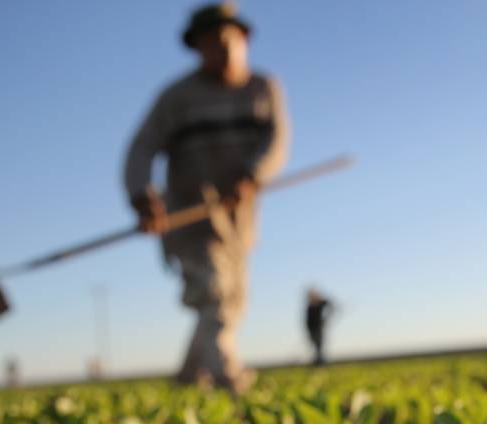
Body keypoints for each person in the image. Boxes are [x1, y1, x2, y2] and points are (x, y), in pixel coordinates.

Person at [124, 3, 290, 392]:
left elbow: (276, 141)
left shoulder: (263, 88)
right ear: (197, 48)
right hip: (189, 216)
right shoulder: (176, 98)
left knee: (231, 302)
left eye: (228, 41)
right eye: (211, 43)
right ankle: (229, 379)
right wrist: (141, 195)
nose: (221, 50)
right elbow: (142, 148)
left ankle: (187, 378)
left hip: (239, 219)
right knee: (213, 295)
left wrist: (252, 173)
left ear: (244, 40)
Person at [305, 288, 334, 365]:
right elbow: (308, 320)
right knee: (315, 345)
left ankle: (320, 360)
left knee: (319, 344)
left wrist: (326, 318)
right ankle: (318, 359)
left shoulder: (321, 302)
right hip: (311, 329)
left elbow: (331, 306)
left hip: (319, 327)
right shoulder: (309, 306)